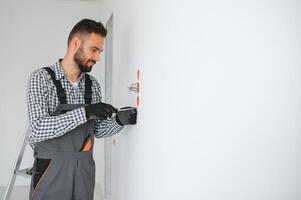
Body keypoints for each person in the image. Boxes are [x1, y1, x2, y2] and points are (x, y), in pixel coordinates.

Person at [26, 19, 137, 200]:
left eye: (99, 52)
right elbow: (38, 129)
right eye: (94, 50)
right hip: (51, 168)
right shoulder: (41, 78)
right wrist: (85, 112)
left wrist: (118, 121)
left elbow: (96, 131)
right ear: (75, 43)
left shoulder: (92, 85)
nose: (98, 58)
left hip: (84, 168)